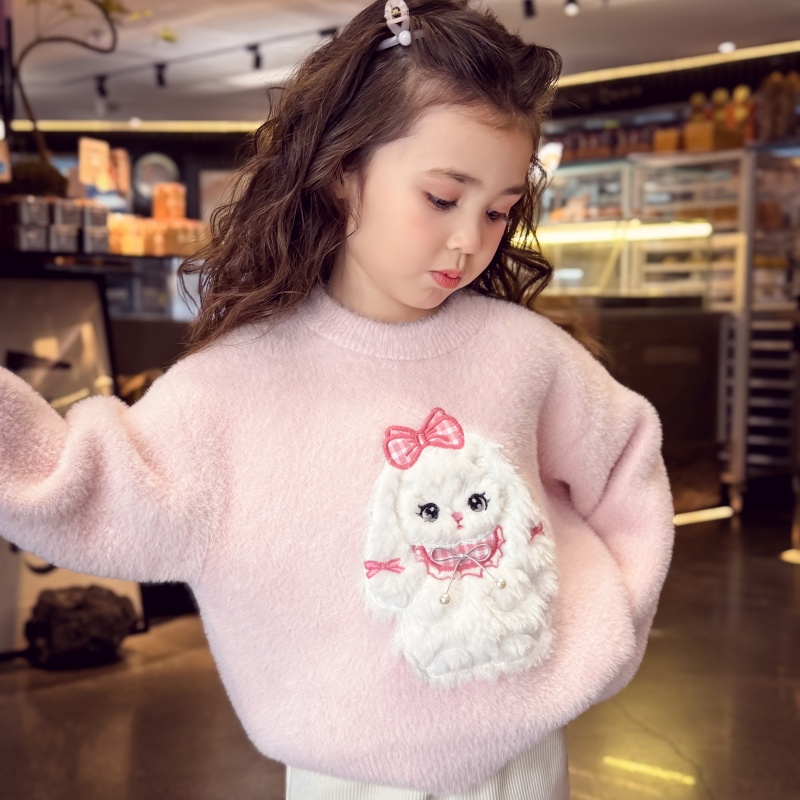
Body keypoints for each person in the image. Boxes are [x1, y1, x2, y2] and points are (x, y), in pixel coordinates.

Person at [0, 1, 675, 798]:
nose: (469, 239)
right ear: (342, 171)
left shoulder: (524, 355)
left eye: (498, 210)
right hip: (345, 779)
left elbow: (627, 461)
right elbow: (84, 488)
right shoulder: (235, 383)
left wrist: (606, 632)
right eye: (442, 197)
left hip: (525, 765)